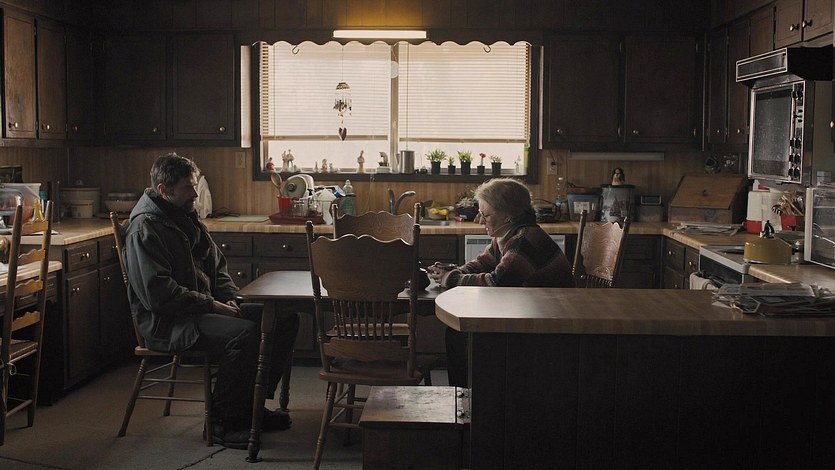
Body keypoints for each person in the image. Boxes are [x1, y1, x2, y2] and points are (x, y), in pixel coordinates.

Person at [123, 153, 300, 449]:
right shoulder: (145, 228)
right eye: (188, 188)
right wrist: (212, 305)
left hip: (200, 309)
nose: (195, 194)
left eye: (194, 185)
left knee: (283, 319)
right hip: (168, 322)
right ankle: (222, 422)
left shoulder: (184, 215)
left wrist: (231, 298)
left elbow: (216, 266)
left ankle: (251, 406)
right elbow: (159, 295)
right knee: (243, 334)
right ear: (164, 190)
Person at [426, 178, 574, 387]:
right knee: (457, 334)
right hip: (530, 315)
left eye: (486, 215)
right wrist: (455, 272)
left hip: (548, 328)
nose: (480, 220)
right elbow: (481, 264)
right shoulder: (508, 235)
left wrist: (451, 279)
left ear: (508, 215)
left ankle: (468, 395)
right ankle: (467, 394)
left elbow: (496, 283)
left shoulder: (524, 241)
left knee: (459, 335)